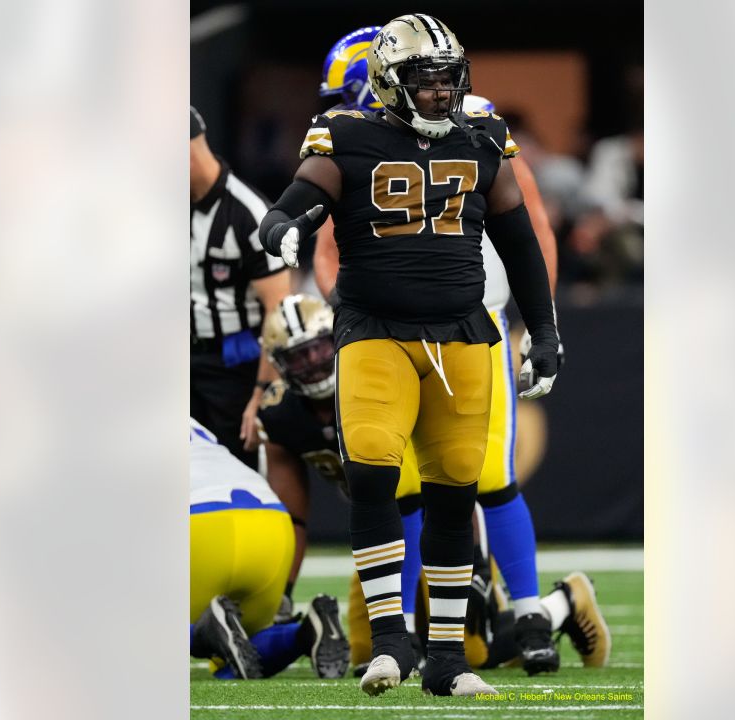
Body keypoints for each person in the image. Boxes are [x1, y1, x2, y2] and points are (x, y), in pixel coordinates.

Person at [257, 14, 560, 698]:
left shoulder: (483, 136)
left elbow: (517, 236)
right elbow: (306, 192)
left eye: (448, 82)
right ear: (389, 85)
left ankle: (449, 659)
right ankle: (393, 640)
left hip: (463, 334)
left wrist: (544, 330)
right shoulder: (348, 133)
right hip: (376, 333)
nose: (439, 95)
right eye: (424, 83)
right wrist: (284, 221)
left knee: (458, 492)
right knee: (374, 477)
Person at [257, 294, 610, 676]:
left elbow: (448, 475)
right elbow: (290, 515)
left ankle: (565, 602)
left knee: (473, 651)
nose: (312, 364)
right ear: (279, 367)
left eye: (317, 349)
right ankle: (412, 630)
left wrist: (471, 552)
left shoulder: (377, 375)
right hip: (384, 535)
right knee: (365, 651)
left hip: (438, 525)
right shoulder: (281, 414)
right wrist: (282, 595)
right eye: (298, 357)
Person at [188, 418, 350, 680]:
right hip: (271, 521)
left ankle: (203, 634)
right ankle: (303, 635)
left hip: (203, 524)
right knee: (231, 664)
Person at [190, 106, 290, 469]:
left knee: (235, 468)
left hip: (234, 365)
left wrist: (260, 395)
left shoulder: (249, 213)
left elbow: (277, 311)